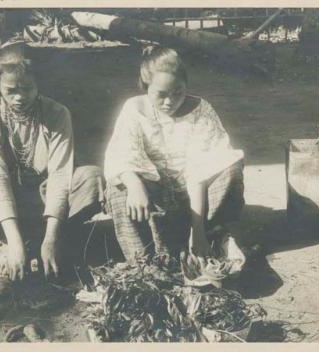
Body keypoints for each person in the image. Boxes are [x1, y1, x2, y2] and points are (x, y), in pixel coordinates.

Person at [0, 42, 103, 281]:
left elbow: (60, 175)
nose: (19, 97)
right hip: (11, 196)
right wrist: (14, 243)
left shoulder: (57, 113)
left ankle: (51, 241)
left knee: (92, 178)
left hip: (49, 195)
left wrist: (51, 237)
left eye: (27, 89)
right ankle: (19, 244)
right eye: (10, 90)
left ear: (38, 85)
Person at [104, 46, 244, 262]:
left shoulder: (201, 110)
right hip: (155, 190)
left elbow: (201, 169)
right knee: (119, 187)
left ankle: (211, 236)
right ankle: (144, 261)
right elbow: (122, 154)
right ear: (146, 87)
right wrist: (134, 184)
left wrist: (198, 232)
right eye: (161, 95)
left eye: (178, 92)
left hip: (195, 192)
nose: (170, 102)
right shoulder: (133, 108)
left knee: (230, 167)